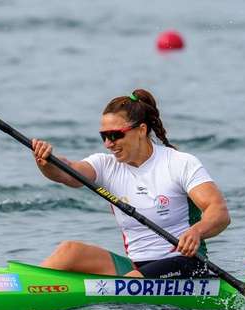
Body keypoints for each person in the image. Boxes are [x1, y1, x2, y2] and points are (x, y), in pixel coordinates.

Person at [31, 89, 230, 278]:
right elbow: (67, 173)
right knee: (69, 251)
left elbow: (219, 212)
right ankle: (25, 287)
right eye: (104, 136)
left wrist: (196, 231)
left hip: (186, 263)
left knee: (131, 282)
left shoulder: (180, 163)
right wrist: (46, 162)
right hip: (137, 267)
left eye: (115, 135)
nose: (108, 143)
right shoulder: (105, 165)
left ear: (141, 130)